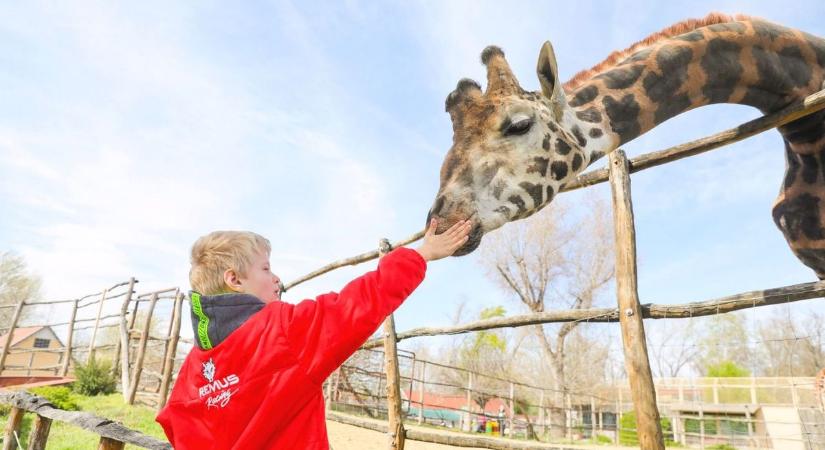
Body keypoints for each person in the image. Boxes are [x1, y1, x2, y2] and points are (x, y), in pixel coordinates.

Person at [156, 218, 472, 449]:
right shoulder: (282, 331)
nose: (276, 278)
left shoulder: (194, 368)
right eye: (265, 269)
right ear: (234, 279)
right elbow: (355, 305)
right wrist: (422, 254)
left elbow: (173, 421)